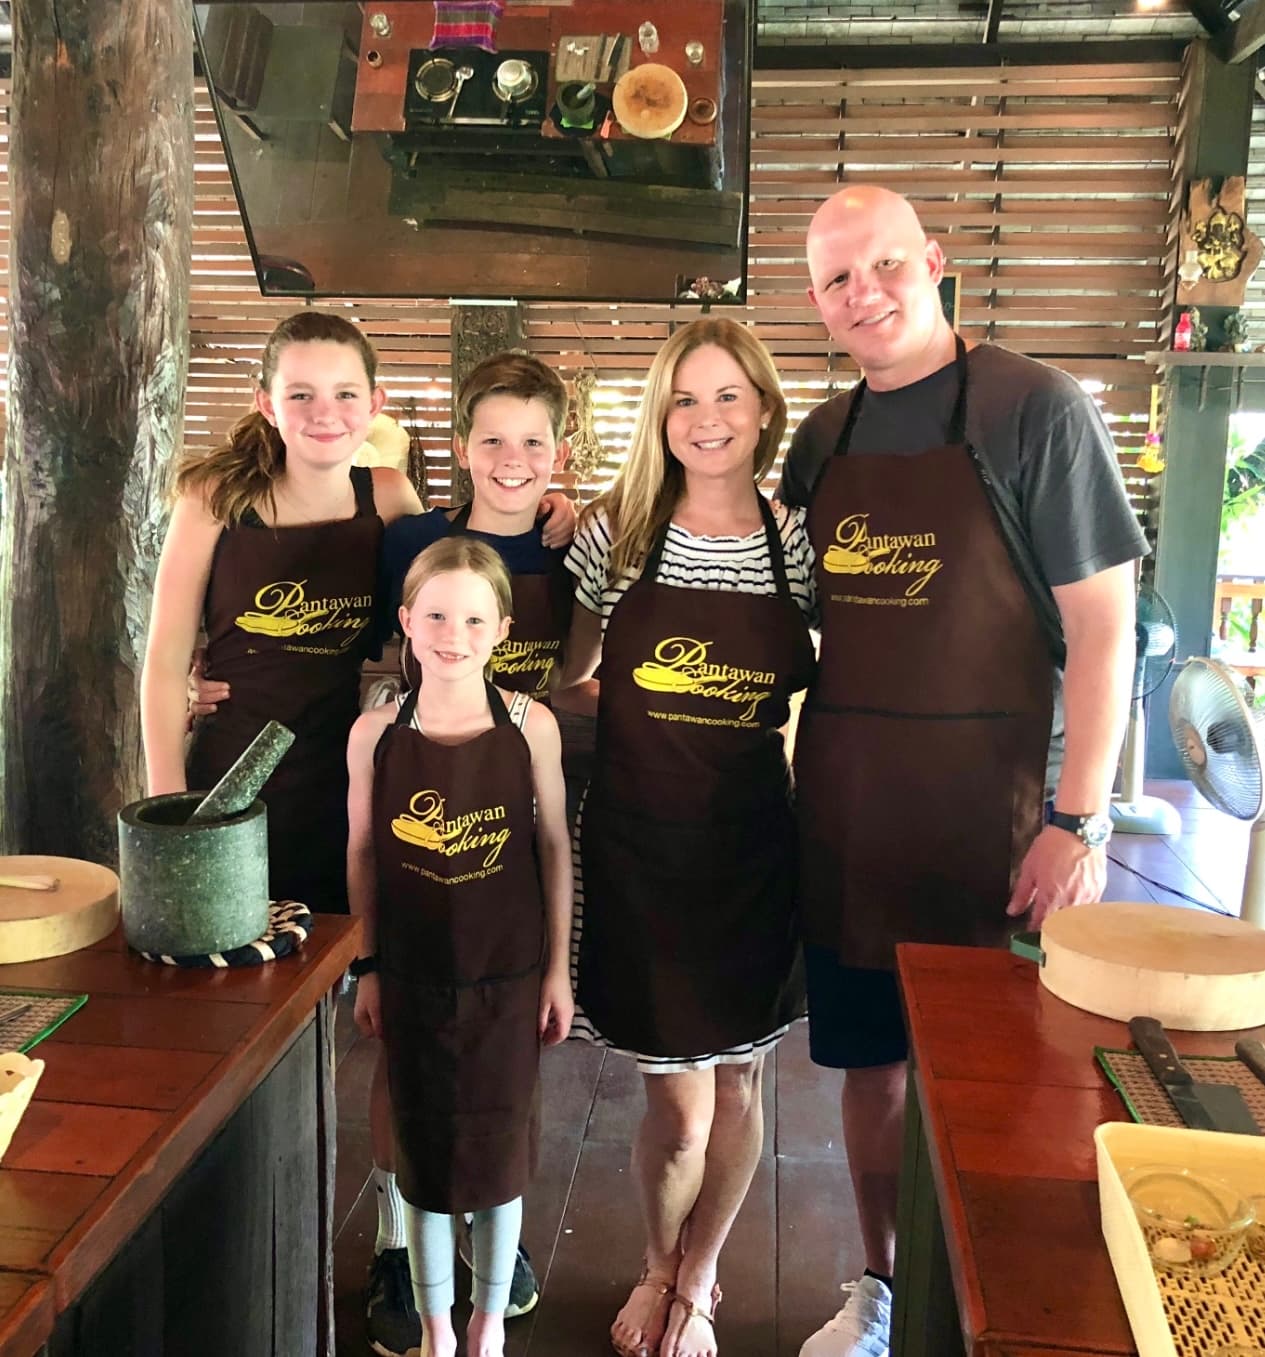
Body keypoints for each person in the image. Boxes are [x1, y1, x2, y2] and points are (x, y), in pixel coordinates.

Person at [783, 186, 1144, 1357]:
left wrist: (1074, 816)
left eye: (882, 265)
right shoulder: (818, 441)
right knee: (869, 1069)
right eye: (836, 279)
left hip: (997, 827)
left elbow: (1103, 630)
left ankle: (1010, 1307)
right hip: (848, 814)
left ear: (933, 262)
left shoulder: (1032, 408)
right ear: (815, 302)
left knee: (1005, 1083)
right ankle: (880, 1287)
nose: (864, 293)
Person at [555, 317, 817, 1357]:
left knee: (741, 1079)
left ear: (762, 408)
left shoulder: (792, 540)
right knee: (671, 1097)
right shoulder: (612, 533)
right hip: (634, 848)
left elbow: (856, 670)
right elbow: (555, 670)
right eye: (683, 399)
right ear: (659, 418)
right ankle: (655, 1262)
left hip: (750, 851)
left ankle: (697, 1277)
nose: (706, 420)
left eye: (726, 396)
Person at [367, 351, 581, 1347]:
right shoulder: (414, 541)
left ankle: (489, 1260)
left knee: (500, 1100)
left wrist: (555, 964)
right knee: (400, 1083)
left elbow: (591, 653)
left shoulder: (576, 547)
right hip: (411, 887)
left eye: (532, 442)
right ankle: (398, 1257)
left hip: (514, 843)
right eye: (490, 438)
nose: (511, 459)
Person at [141, 310, 422, 913]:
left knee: (329, 981)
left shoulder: (391, 497)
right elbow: (164, 662)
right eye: (301, 394)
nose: (325, 413)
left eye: (345, 393)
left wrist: (550, 507)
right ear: (267, 403)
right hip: (224, 783)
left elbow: (446, 599)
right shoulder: (213, 500)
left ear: (375, 402)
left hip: (345, 783)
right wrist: (167, 810)